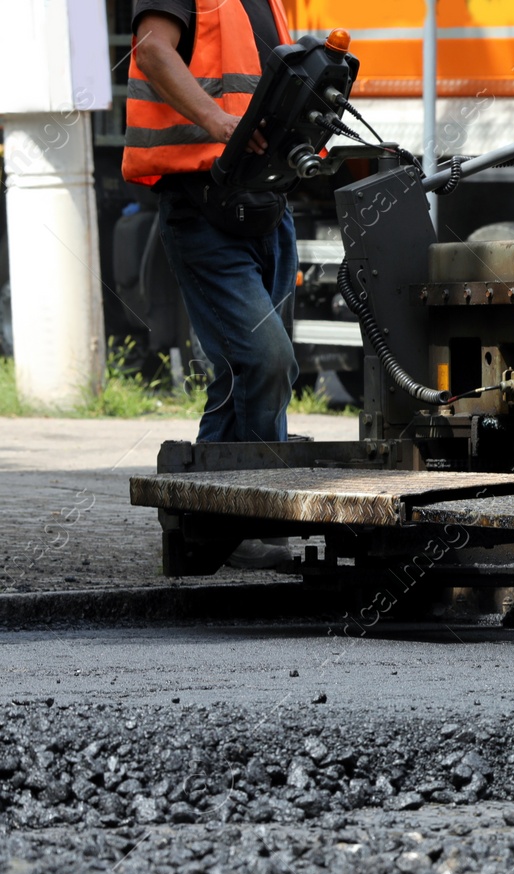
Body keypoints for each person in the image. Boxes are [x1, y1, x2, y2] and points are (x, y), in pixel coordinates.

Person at [125, 0, 299, 568]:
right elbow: (151, 50)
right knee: (264, 359)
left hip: (267, 202)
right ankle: (247, 517)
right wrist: (217, 121)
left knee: (243, 375)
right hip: (203, 204)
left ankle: (202, 532)